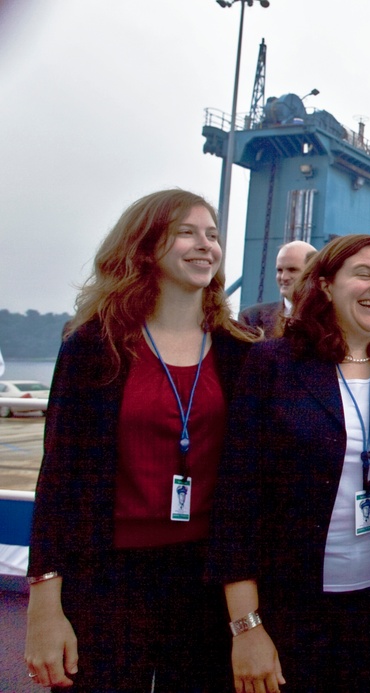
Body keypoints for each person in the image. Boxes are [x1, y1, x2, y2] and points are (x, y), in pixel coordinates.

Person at [24, 190, 257, 690]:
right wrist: (45, 604)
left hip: (207, 579)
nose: (205, 246)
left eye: (213, 235)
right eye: (186, 232)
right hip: (107, 578)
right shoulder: (94, 344)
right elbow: (58, 476)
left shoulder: (241, 352)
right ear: (147, 246)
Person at [208, 234, 370, 693]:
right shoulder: (273, 364)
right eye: (363, 274)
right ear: (324, 285)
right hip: (287, 610)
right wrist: (247, 625)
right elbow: (237, 501)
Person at [239, 240, 317, 337]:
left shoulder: (332, 317)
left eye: (292, 270)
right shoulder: (252, 318)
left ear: (313, 273)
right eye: (279, 270)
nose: (284, 277)